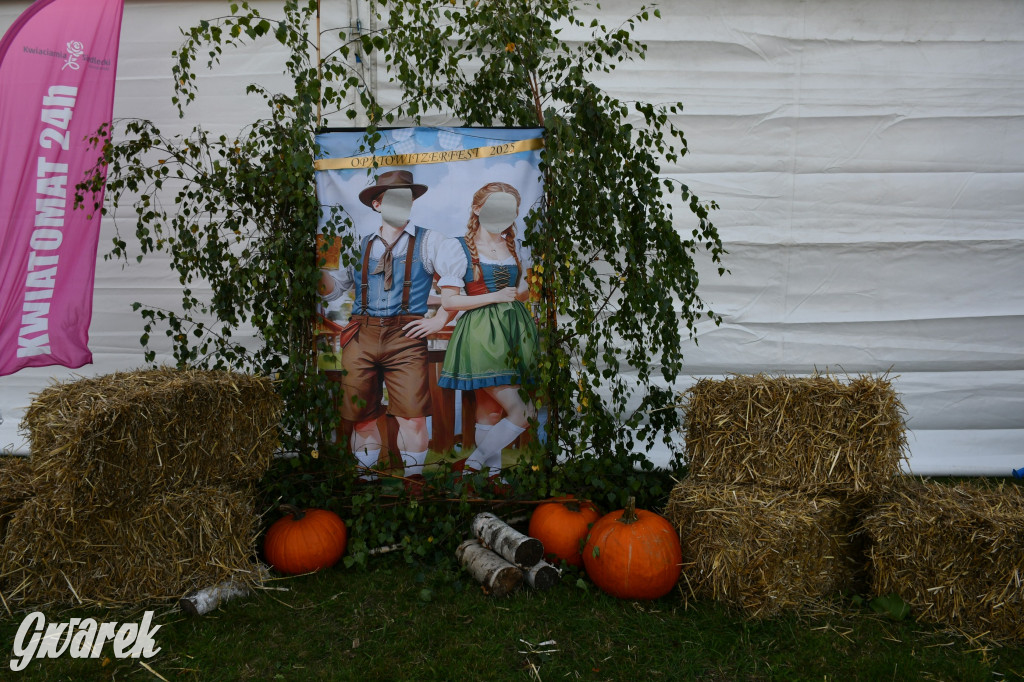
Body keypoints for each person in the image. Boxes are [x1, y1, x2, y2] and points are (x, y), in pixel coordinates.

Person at [319, 170, 458, 491]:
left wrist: (439, 321)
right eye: (393, 198)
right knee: (363, 416)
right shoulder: (358, 244)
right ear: (377, 204)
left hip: (405, 338)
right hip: (361, 336)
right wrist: (318, 265)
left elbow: (455, 285)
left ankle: (413, 483)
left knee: (412, 416)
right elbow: (333, 290)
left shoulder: (431, 241)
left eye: (405, 197)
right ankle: (366, 483)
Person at [436, 182, 538, 482]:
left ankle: (490, 478)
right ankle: (472, 465)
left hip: (514, 331)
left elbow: (520, 293)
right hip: (481, 332)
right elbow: (450, 301)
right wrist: (495, 296)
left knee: (490, 412)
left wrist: (525, 291)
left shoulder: (514, 247)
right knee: (524, 412)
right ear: (477, 209)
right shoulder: (458, 247)